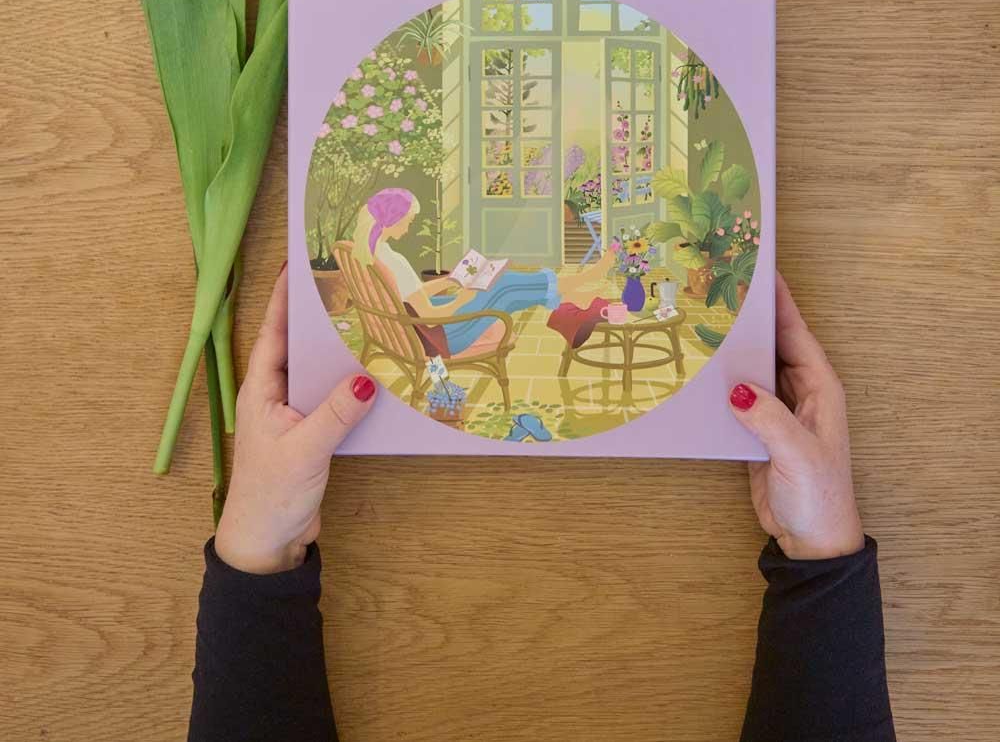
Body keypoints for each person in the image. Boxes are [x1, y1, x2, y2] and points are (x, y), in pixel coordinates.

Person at [188, 270, 896, 742]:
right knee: (521, 296)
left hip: (432, 329)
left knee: (523, 290)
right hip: (440, 335)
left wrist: (260, 548)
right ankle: (562, 310)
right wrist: (821, 550)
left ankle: (560, 308)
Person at [351, 187, 615, 354]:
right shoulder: (393, 261)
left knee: (505, 288)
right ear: (392, 220)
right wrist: (462, 300)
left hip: (416, 326)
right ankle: (582, 287)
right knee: (504, 284)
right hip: (439, 335)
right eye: (408, 221)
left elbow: (413, 295)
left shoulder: (375, 253)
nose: (409, 227)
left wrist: (452, 280)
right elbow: (430, 317)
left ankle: (571, 305)